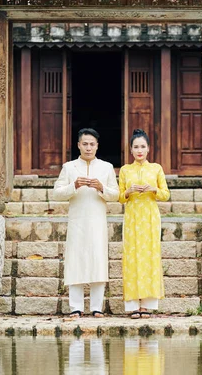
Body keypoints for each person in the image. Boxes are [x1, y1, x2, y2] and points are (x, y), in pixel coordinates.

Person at [53, 128, 119, 318]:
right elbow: (57, 193)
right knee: (76, 260)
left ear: (97, 146)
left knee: (98, 260)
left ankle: (97, 307)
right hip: (78, 221)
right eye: (85, 144)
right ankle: (76, 307)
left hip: (98, 220)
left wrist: (101, 187)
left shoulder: (106, 167)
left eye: (92, 144)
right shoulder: (69, 167)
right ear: (78, 145)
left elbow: (115, 194)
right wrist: (74, 186)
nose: (88, 148)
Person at [119, 129, 170, 319]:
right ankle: (133, 305)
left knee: (149, 257)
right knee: (131, 257)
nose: (139, 150)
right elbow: (119, 198)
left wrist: (154, 189)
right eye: (135, 147)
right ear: (131, 150)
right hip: (132, 216)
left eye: (142, 146)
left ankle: (147, 305)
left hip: (150, 216)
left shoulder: (156, 168)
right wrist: (128, 191)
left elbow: (166, 194)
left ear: (148, 149)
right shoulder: (125, 170)